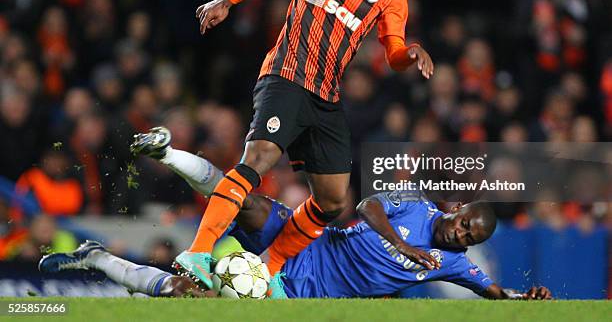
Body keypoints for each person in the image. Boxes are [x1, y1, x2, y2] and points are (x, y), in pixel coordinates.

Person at [178, 0, 434, 288]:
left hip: (326, 97)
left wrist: (411, 54)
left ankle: (270, 268)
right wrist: (227, 0)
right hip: (285, 76)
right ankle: (197, 252)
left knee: (333, 200)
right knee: (259, 156)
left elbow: (393, 50)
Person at [39, 132, 551, 300]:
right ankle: (168, 153)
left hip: (300, 289)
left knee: (188, 297)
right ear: (458, 209)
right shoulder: (414, 205)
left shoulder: (453, 263)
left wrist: (523, 298)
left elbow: (491, 294)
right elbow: (369, 205)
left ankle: (99, 259)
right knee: (246, 198)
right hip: (298, 237)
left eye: (469, 237)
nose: (462, 234)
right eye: (466, 223)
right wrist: (404, 244)